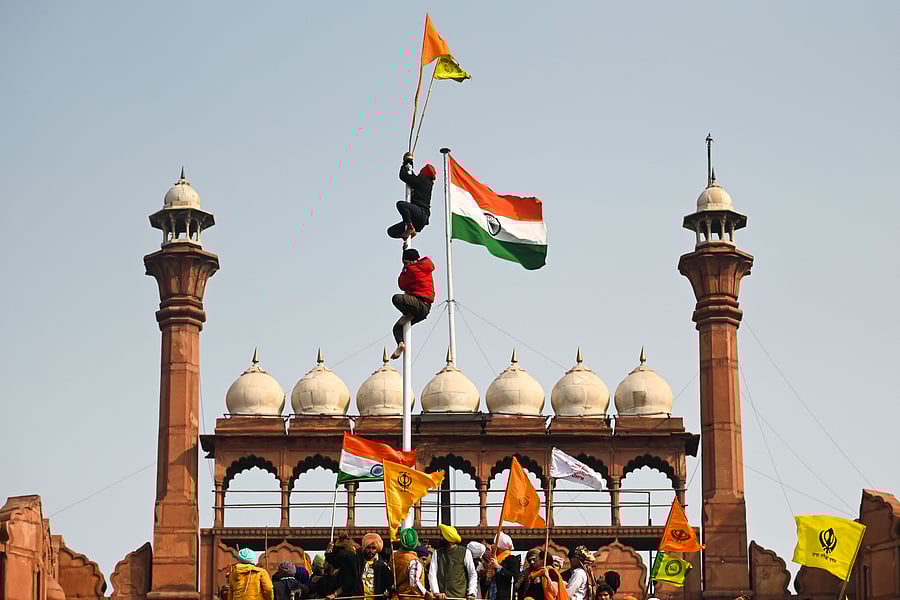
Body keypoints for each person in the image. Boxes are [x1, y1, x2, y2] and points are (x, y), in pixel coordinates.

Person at [390, 248, 435, 359]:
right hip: (424, 309)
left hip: (419, 304)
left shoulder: (413, 269)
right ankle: (401, 344)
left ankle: (408, 314)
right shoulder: (425, 267)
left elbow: (402, 284)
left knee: (396, 298)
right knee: (397, 328)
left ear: (408, 261)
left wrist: (404, 270)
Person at [388, 153, 436, 241]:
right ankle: (408, 232)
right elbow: (412, 178)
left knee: (401, 204)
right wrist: (409, 164)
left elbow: (404, 176)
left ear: (424, 173)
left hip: (421, 213)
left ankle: (410, 227)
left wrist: (405, 163)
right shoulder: (424, 182)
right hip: (418, 219)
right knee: (391, 231)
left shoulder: (424, 181)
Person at [427, 524, 478, 600]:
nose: (440, 538)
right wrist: (436, 592)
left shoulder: (465, 552)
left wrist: (471, 592)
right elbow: (432, 574)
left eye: (442, 536)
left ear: (448, 539)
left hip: (460, 597)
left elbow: (472, 574)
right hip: (442, 597)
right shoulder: (437, 553)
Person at [392, 528, 427, 600]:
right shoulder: (414, 561)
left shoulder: (393, 557)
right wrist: (426, 593)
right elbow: (414, 583)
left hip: (398, 597)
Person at [484, 533, 519, 600]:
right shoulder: (494, 560)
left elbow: (514, 578)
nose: (492, 545)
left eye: (494, 543)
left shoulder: (511, 559)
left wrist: (498, 567)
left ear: (499, 547)